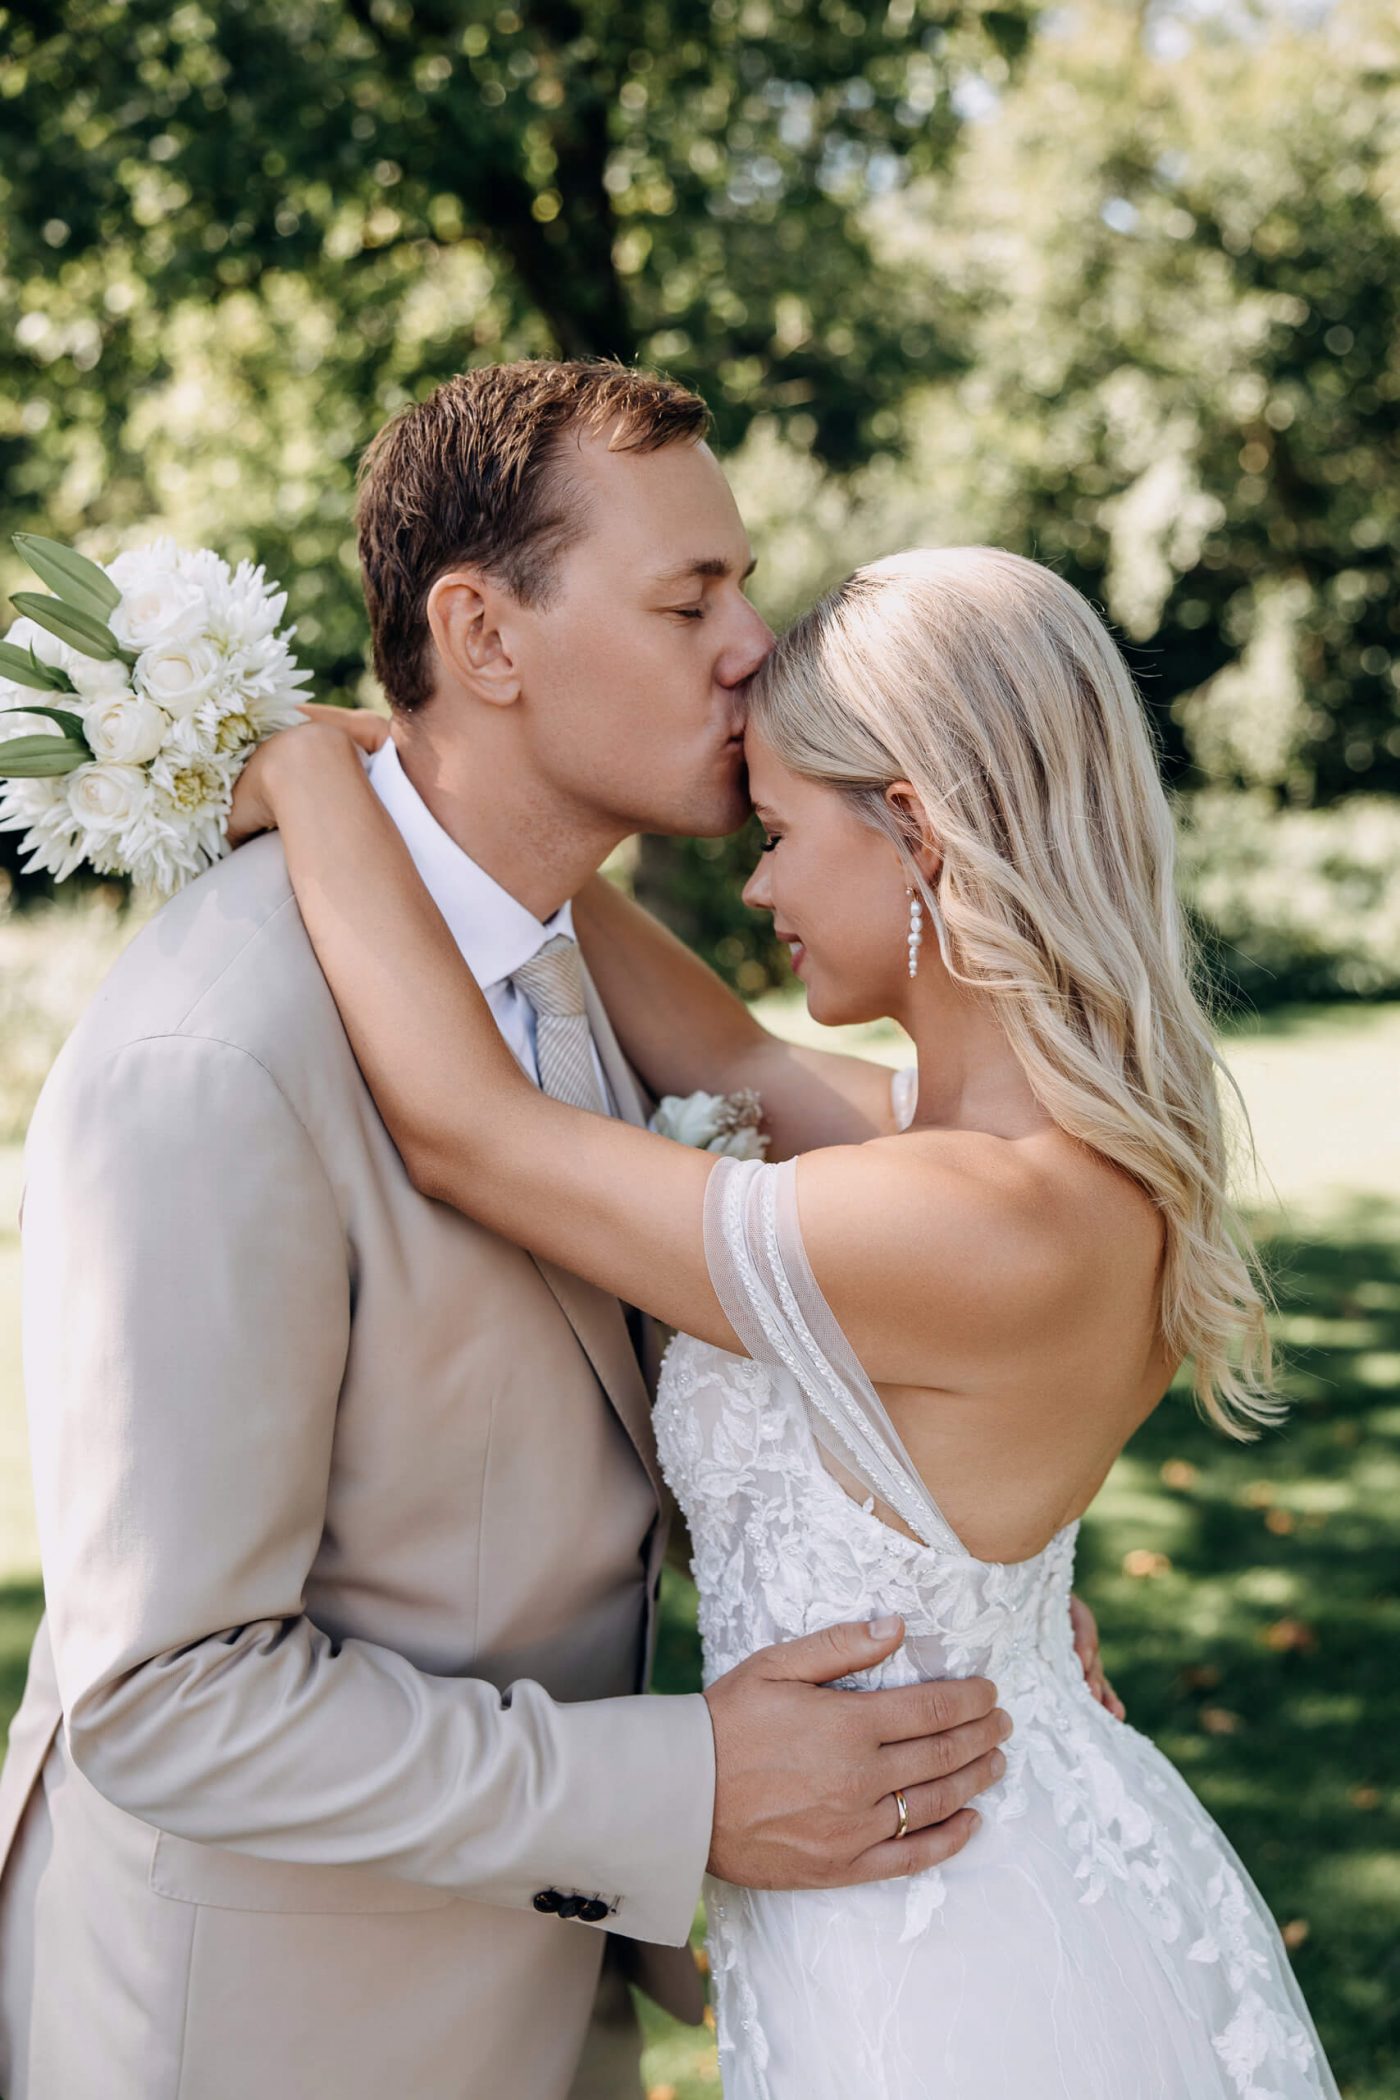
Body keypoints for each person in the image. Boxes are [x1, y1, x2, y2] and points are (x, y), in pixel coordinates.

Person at [0, 364, 1115, 2100]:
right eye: (690, 600)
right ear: (483, 636)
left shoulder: (570, 984)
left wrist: (966, 1581)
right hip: (270, 2043)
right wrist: (685, 1793)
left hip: (544, 2009)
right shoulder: (215, 1057)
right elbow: (163, 1699)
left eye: (742, 588)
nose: (752, 647)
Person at [225, 539, 1341, 2099]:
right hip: (915, 1879)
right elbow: (730, 1057)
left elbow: (472, 1134)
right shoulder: (987, 1152)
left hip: (955, 1965)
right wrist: (444, 796)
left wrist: (311, 782)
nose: (755, 887)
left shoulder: (982, 1223)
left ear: (919, 833)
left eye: (777, 834)